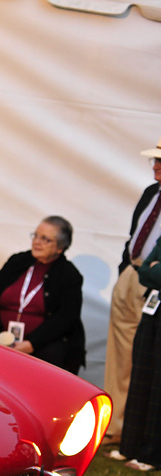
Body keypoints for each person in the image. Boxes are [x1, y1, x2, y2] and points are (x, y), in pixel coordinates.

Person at [101, 138, 161, 450]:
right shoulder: (152, 193)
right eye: (155, 160)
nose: (155, 166)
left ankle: (137, 430)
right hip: (133, 271)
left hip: (154, 281)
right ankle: (116, 424)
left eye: (160, 161)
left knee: (144, 353)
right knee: (119, 351)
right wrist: (128, 265)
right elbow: (135, 231)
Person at [0, 216, 86, 373]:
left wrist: (30, 345)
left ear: (60, 248)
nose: (37, 242)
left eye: (45, 239)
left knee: (52, 357)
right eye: (36, 235)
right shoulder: (17, 261)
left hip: (40, 343)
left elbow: (65, 319)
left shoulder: (69, 275)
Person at [123, 238, 161, 476]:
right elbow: (144, 271)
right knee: (140, 376)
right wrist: (154, 268)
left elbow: (151, 270)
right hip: (153, 307)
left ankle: (151, 453)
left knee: (158, 385)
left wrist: (154, 269)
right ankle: (131, 446)